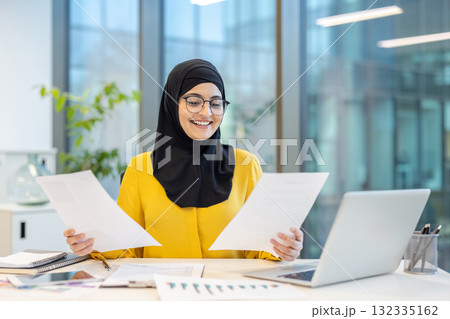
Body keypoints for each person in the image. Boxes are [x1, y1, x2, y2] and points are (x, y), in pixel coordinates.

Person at [63, 59, 303, 261]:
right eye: (194, 101)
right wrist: (92, 245)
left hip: (229, 298)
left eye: (216, 103)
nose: (206, 113)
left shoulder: (245, 165)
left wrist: (284, 249)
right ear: (172, 103)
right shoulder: (140, 169)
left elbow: (261, 250)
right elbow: (125, 251)